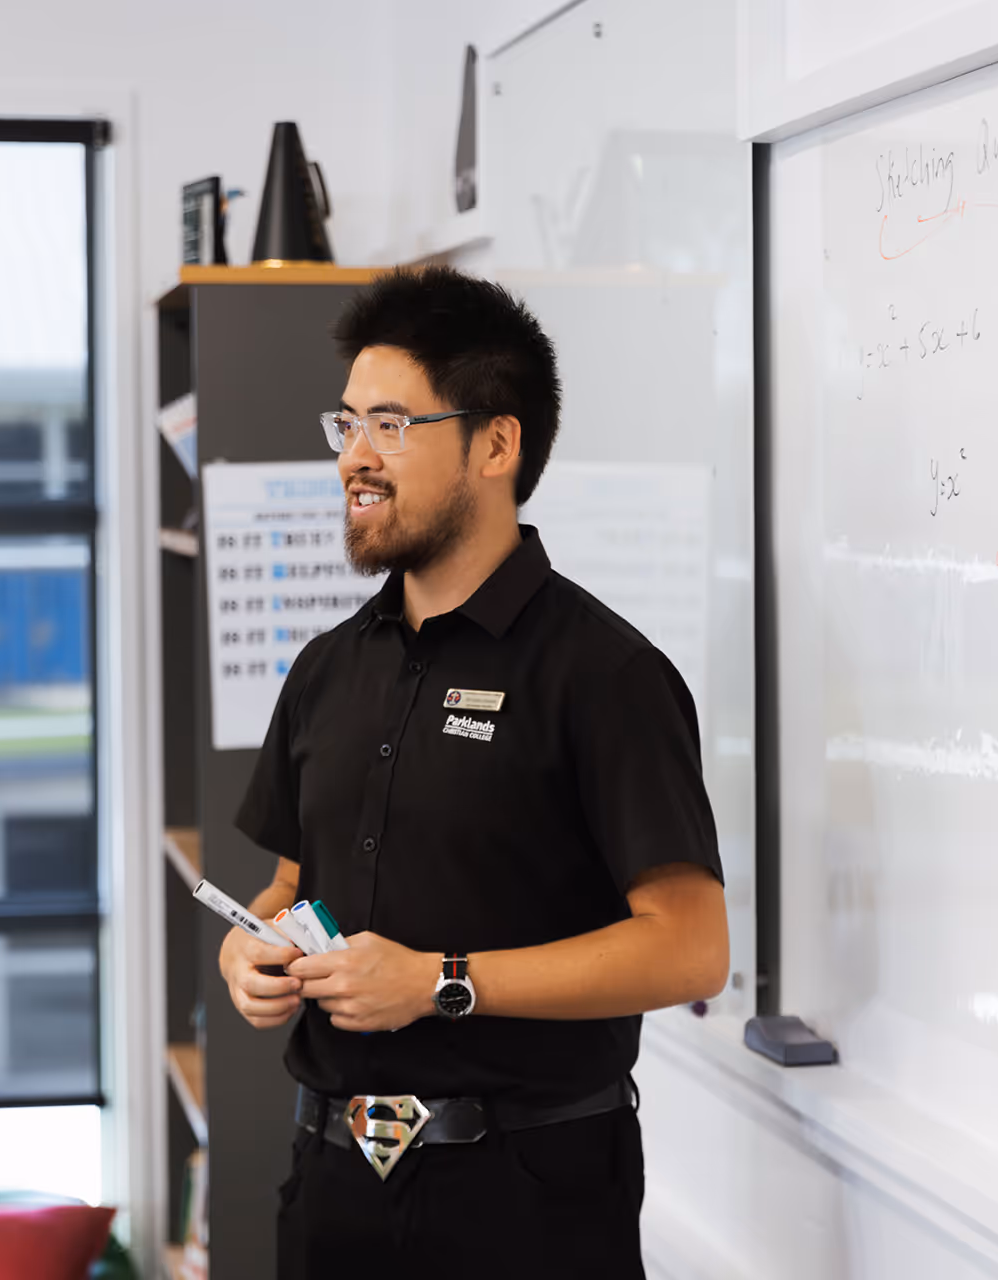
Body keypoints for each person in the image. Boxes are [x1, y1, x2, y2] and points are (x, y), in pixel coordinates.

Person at [218, 266, 728, 1279]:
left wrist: (440, 983)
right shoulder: (328, 666)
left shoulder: (605, 673)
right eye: (348, 423)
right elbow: (289, 878)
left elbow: (690, 947)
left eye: (393, 425)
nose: (355, 458)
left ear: (497, 443)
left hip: (525, 1198)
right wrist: (254, 949)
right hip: (331, 1185)